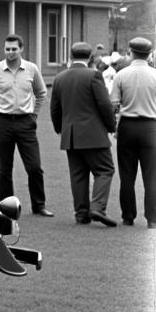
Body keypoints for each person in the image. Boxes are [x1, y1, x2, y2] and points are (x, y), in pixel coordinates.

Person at [0, 34, 51, 216]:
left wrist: (34, 114)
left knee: (34, 167)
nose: (10, 52)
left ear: (21, 49)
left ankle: (39, 205)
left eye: (14, 49)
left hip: (26, 122)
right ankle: (6, 207)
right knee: (4, 169)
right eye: (7, 49)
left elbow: (41, 93)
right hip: (2, 122)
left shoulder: (32, 69)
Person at [49, 42, 117, 226]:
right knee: (105, 170)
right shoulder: (94, 75)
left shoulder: (60, 77)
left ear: (71, 56)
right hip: (93, 133)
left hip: (70, 134)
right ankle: (97, 208)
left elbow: (55, 108)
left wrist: (60, 129)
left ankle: (81, 214)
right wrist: (111, 126)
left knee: (78, 175)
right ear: (90, 57)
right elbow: (104, 105)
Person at [110, 36, 156, 228]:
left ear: (131, 52)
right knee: (151, 175)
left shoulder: (121, 75)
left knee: (127, 175)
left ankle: (128, 216)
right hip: (150, 127)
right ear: (150, 54)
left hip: (128, 126)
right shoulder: (155, 74)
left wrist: (114, 127)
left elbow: (113, 104)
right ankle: (152, 218)